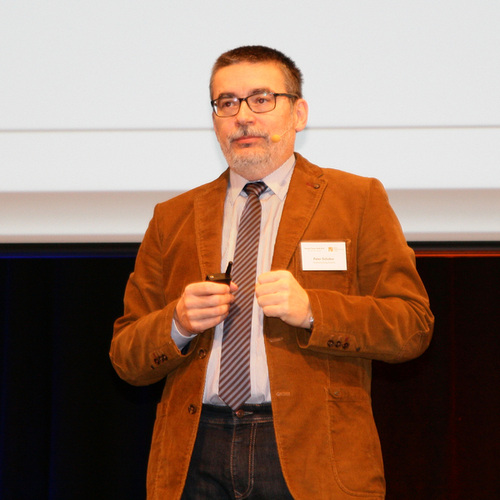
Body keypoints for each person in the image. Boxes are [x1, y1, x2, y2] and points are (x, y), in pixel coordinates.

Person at [110, 45, 434, 500]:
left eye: (261, 99)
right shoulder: (173, 216)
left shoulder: (356, 199)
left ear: (298, 113)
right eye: (227, 103)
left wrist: (313, 310)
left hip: (313, 451)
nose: (243, 116)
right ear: (216, 119)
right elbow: (126, 356)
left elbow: (411, 327)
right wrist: (177, 324)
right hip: (193, 453)